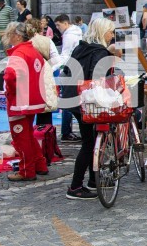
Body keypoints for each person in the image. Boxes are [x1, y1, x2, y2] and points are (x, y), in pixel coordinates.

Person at [59, 18, 116, 200]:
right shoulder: (100, 52)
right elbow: (97, 78)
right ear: (102, 32)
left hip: (73, 98)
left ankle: (94, 179)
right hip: (87, 100)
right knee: (89, 143)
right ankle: (75, 187)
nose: (112, 35)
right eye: (110, 32)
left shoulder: (80, 47)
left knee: (91, 139)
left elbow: (68, 71)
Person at [1, 22, 50, 181]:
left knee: (21, 138)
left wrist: (10, 91)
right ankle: (40, 164)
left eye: (9, 35)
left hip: (19, 102)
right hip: (33, 100)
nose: (8, 38)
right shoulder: (34, 51)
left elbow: (10, 75)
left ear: (16, 35)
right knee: (28, 134)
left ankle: (26, 170)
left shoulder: (18, 53)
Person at [27, 18, 63, 126]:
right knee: (44, 110)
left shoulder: (23, 41)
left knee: (26, 111)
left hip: (26, 77)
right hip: (43, 78)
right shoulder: (47, 41)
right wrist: (49, 69)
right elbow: (57, 60)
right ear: (40, 28)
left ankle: (27, 138)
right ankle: (43, 137)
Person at [55, 14, 84, 141]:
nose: (57, 28)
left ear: (65, 23)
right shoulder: (77, 32)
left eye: (58, 25)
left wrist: (57, 67)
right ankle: (67, 131)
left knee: (67, 102)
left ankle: (66, 131)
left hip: (69, 70)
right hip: (76, 68)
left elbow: (65, 54)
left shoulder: (69, 36)